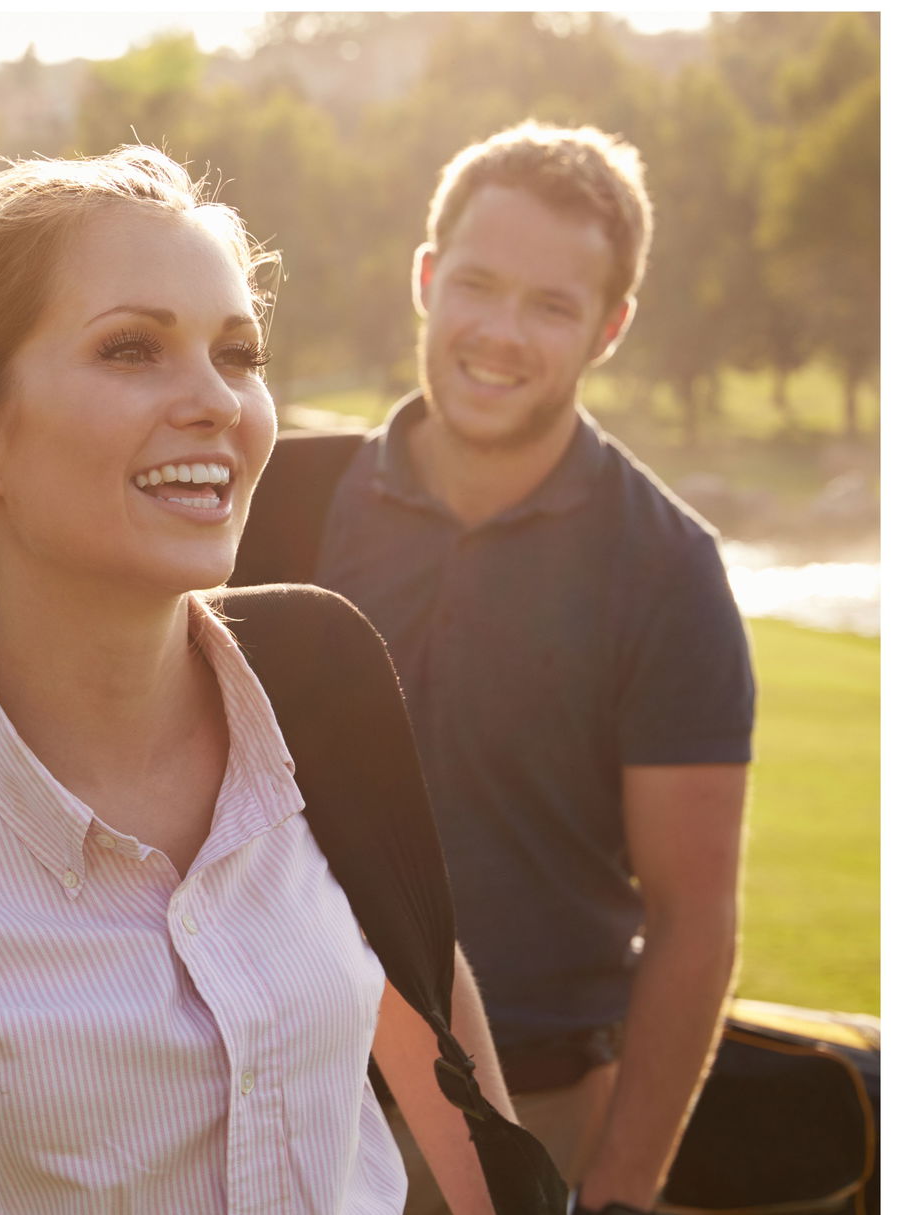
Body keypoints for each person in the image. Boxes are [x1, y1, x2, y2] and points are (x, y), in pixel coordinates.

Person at [0, 147, 542, 1214]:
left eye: (237, 353)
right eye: (131, 350)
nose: (215, 401)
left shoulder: (329, 693)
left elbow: (445, 1066)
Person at [237, 123, 754, 1215]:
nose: (500, 334)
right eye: (477, 284)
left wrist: (615, 1194)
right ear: (426, 278)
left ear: (607, 328)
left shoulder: (666, 568)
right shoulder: (274, 498)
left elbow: (694, 914)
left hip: (526, 1111)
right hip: (263, 1085)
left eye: (551, 305)